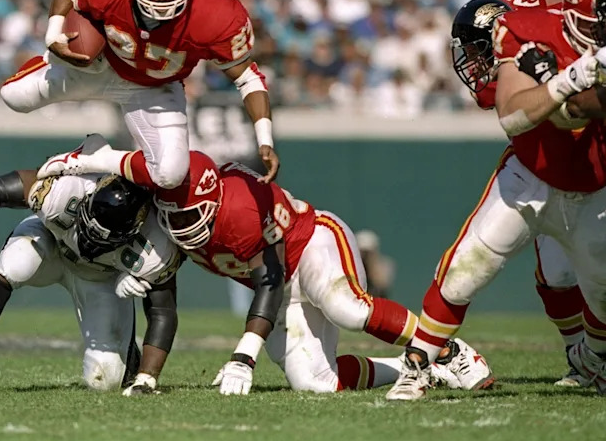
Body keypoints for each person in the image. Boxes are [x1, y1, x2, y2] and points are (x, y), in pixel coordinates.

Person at [54, 145, 487, 394]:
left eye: (191, 218)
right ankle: (420, 366)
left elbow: (270, 279)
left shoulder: (239, 210)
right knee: (314, 382)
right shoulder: (167, 199)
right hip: (274, 282)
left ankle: (446, 346)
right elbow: (123, 160)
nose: (184, 230)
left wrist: (244, 355)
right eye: (174, 219)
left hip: (308, 244)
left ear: (214, 201)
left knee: (347, 308)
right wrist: (76, 161)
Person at [387, 0, 606, 400]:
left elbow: (576, 115)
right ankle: (418, 365)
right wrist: (566, 80)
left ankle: (592, 361)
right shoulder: (526, 29)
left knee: (597, 294)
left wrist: (562, 83)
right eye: (592, 24)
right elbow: (514, 115)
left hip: (593, 186)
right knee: (465, 268)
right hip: (531, 173)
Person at [0, 0, 280, 191]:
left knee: (170, 174)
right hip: (99, 68)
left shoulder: (218, 13)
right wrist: (52, 35)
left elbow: (247, 78)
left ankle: (94, 158)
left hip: (153, 89)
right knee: (13, 97)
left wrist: (264, 138)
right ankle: (47, 62)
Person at [0, 169, 182, 396]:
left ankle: (129, 359)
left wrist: (147, 378)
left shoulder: (154, 244)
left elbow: (163, 311)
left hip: (98, 277)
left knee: (105, 379)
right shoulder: (66, 189)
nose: (89, 241)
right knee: (17, 261)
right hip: (50, 245)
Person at [453, 0, 589, 386]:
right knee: (556, 275)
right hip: (555, 171)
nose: (481, 54)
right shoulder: (523, 52)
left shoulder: (570, 34)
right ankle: (584, 359)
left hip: (589, 170)